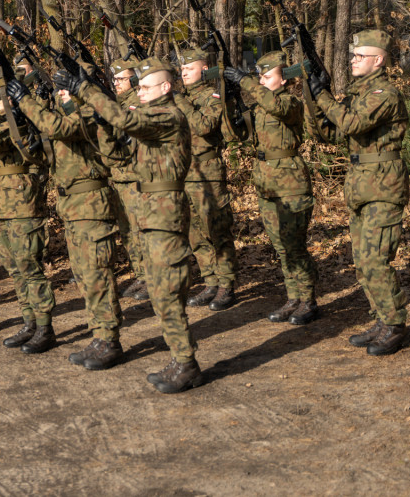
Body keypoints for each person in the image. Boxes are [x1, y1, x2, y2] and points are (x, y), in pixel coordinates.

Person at [65, 56, 203, 394]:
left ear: (166, 88)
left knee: (168, 290)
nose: (139, 93)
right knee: (158, 291)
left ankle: (186, 362)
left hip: (165, 216)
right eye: (138, 87)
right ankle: (178, 359)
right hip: (148, 215)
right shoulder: (149, 122)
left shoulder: (169, 117)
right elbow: (117, 154)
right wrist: (100, 120)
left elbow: (127, 120)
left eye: (145, 87)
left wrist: (86, 90)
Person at [8, 73, 124, 371]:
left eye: (66, 88)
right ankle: (99, 336)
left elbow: (55, 126)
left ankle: (109, 340)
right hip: (73, 206)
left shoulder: (90, 114)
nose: (61, 93)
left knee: (97, 275)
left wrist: (26, 100)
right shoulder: (71, 112)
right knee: (85, 277)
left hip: (91, 205)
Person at [310, 29, 410, 356]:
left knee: (376, 259)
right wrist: (312, 96)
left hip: (383, 186)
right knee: (362, 262)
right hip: (360, 184)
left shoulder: (385, 93)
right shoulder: (359, 94)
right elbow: (332, 132)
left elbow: (352, 124)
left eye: (359, 56)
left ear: (378, 60)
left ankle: (394, 324)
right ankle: (381, 319)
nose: (353, 60)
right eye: (352, 56)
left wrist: (324, 96)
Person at [0, 76, 57, 353]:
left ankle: (45, 327)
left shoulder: (21, 123)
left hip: (23, 205)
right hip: (1, 205)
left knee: (29, 267)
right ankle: (29, 322)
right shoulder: (1, 123)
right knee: (14, 268)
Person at [225, 51, 319, 324]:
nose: (262, 82)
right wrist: (231, 98)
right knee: (280, 246)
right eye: (260, 77)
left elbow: (276, 107)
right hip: (265, 182)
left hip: (290, 182)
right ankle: (293, 298)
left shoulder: (291, 103)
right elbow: (237, 134)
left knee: (294, 245)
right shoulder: (259, 106)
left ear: (284, 79)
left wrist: (246, 83)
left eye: (267, 77)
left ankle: (309, 300)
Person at [174, 49, 241, 310]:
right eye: (181, 69)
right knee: (195, 233)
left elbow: (203, 126)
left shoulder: (213, 96)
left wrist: (180, 101)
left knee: (216, 229)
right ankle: (210, 281)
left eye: (188, 68)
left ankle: (226, 284)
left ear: (204, 69)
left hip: (208, 172)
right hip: (185, 172)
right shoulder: (180, 98)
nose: (183, 73)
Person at [105, 59, 149, 301]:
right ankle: (141, 274)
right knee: (128, 232)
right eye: (115, 79)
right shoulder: (119, 103)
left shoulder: (136, 103)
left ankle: (151, 277)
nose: (116, 83)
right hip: (119, 177)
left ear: (134, 79)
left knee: (140, 229)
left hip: (133, 176)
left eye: (121, 78)